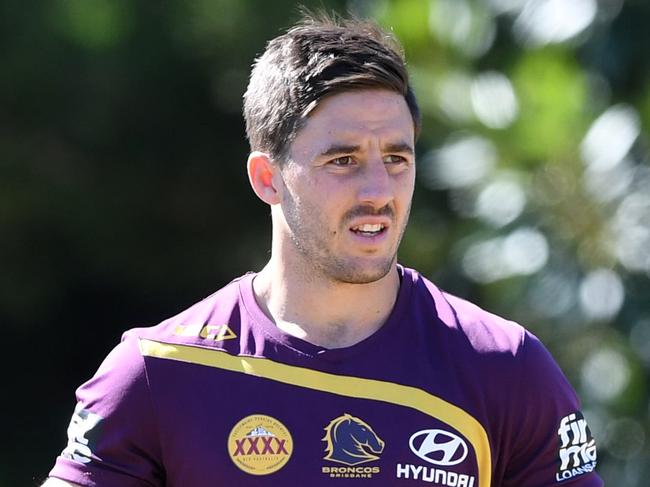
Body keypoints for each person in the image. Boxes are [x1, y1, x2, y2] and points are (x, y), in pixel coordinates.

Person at [44, 11, 603, 487]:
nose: (379, 191)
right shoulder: (157, 374)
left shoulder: (505, 369)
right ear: (267, 178)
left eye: (397, 158)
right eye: (343, 160)